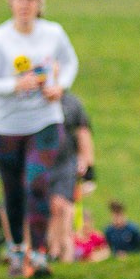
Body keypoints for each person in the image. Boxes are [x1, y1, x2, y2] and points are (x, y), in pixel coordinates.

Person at [0, 0, 78, 279]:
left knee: (37, 184)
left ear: (39, 4)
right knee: (13, 191)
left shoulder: (53, 33)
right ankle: (18, 252)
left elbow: (70, 63)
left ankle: (40, 254)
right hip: (6, 126)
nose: (25, 4)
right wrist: (14, 85)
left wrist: (60, 86)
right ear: (11, 2)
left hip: (44, 121)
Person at [47, 90, 95, 262]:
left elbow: (84, 133)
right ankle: (53, 249)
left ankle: (64, 252)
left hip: (66, 163)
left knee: (64, 207)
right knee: (51, 208)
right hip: (42, 162)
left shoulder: (72, 102)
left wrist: (89, 169)